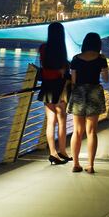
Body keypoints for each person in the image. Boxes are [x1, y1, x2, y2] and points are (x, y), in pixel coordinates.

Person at [67, 32, 109, 173]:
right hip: (94, 93)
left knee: (77, 131)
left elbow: (73, 80)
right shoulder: (101, 59)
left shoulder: (76, 59)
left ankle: (76, 164)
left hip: (79, 93)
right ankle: (90, 166)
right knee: (92, 132)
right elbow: (106, 78)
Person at [36, 22, 71, 165]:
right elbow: (64, 69)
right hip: (60, 86)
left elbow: (42, 65)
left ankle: (53, 153)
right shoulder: (61, 49)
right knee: (62, 120)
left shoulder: (43, 48)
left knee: (51, 121)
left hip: (47, 86)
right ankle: (63, 150)